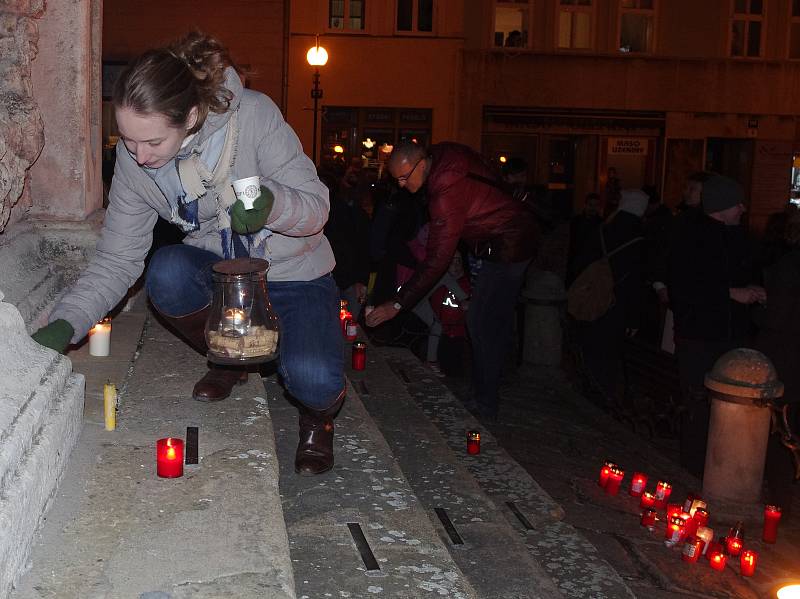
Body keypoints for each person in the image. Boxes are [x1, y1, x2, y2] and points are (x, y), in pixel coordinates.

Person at [31, 32, 344, 476]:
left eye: (153, 142)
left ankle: (317, 418)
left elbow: (317, 208)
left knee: (314, 379)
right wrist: (68, 321)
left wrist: (273, 204)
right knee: (169, 271)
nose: (138, 156)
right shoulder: (135, 159)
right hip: (223, 277)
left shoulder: (253, 115)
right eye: (128, 140)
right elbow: (119, 258)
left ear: (192, 116)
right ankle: (231, 357)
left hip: (293, 272)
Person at [365, 142, 538, 420]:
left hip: (509, 244)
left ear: (422, 164)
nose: (400, 185)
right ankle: (484, 390)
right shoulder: (443, 154)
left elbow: (437, 260)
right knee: (486, 321)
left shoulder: (445, 192)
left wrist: (396, 305)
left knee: (482, 322)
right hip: (500, 239)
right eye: (396, 179)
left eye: (404, 177)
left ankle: (486, 401)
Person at [668, 173, 764, 476]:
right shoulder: (691, 235)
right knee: (699, 404)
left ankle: (722, 466)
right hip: (700, 337)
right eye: (737, 204)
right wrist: (730, 294)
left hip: (729, 336)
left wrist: (752, 290)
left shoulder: (735, 235)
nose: (743, 209)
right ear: (722, 205)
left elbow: (739, 270)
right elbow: (685, 286)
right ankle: (695, 470)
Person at [572, 189, 647, 401]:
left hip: (593, 296)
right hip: (617, 303)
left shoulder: (603, 228)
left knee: (591, 343)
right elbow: (635, 281)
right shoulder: (638, 238)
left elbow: (582, 261)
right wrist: (634, 318)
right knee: (609, 351)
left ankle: (587, 387)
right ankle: (602, 394)